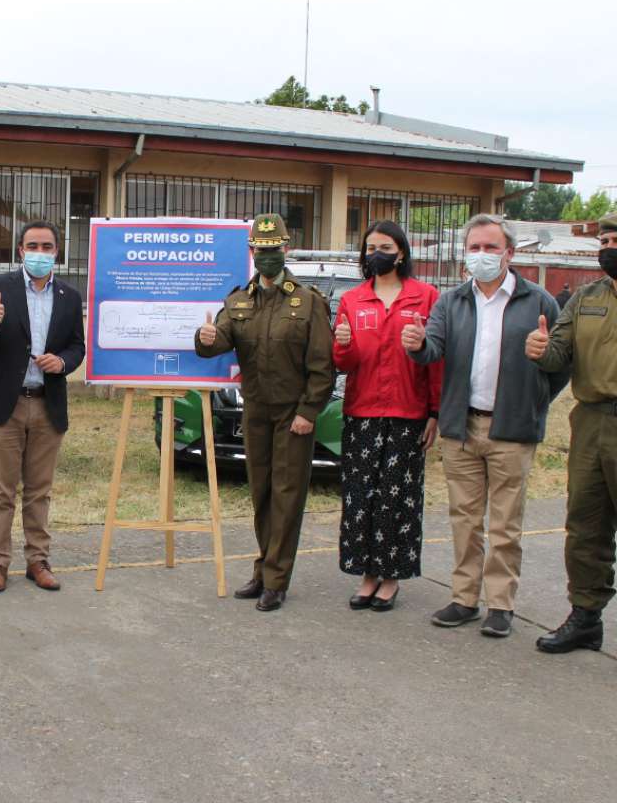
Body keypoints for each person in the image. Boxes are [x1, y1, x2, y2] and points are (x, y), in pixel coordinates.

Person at [403, 214, 569, 638]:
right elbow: (433, 349)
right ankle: (464, 599)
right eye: (474, 247)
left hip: (511, 431)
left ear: (509, 254)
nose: (481, 255)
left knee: (506, 524)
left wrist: (534, 402)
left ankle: (501, 604)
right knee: (464, 519)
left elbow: (560, 364)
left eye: (490, 248)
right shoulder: (452, 301)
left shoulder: (539, 302)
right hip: (462, 428)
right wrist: (420, 344)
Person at [195, 213, 334, 611]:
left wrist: (309, 410)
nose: (268, 257)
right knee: (261, 493)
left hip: (293, 413)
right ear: (251, 251)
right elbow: (218, 339)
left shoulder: (307, 302)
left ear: (285, 250)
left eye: (274, 250)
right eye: (261, 250)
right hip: (255, 410)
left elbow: (322, 366)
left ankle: (276, 578)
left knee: (287, 495)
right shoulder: (239, 301)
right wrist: (205, 338)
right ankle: (263, 567)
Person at [0, 220, 85, 593]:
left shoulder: (69, 296)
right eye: (33, 246)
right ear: (20, 250)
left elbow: (77, 347)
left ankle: (38, 561)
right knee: (1, 490)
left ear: (57, 252)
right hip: (6, 404)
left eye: (47, 247)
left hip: (47, 405)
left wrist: (61, 363)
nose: (40, 253)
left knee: (39, 490)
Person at [333, 221, 442, 612]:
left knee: (397, 498)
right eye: (369, 247)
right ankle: (366, 574)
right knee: (361, 496)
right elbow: (343, 363)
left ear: (401, 252)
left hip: (407, 413)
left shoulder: (426, 296)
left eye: (384, 245)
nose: (375, 252)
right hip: (362, 412)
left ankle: (391, 576)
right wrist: (342, 346)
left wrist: (434, 412)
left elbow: (436, 360)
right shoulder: (353, 300)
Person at [526, 211, 617, 653]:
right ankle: (585, 617)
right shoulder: (586, 298)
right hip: (593, 421)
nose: (609, 248)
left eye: (616, 239)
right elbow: (559, 352)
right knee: (586, 523)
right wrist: (541, 350)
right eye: (605, 240)